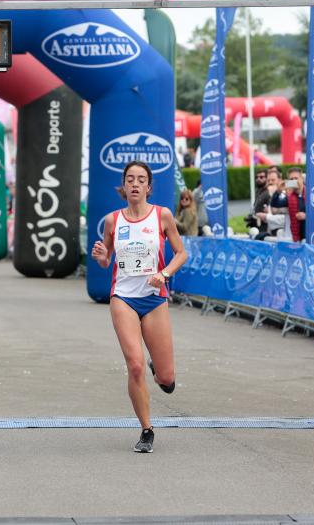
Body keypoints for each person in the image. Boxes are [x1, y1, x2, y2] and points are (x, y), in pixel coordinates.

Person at [90, 161, 188, 454]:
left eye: (141, 179)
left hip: (154, 297)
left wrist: (165, 274)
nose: (135, 184)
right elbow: (106, 260)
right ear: (124, 185)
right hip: (123, 298)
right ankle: (147, 430)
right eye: (130, 179)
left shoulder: (163, 216)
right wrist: (100, 257)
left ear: (148, 187)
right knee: (134, 365)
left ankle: (159, 368)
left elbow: (181, 253)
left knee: (167, 379)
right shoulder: (112, 221)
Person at [286, 167, 306, 241]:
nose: (294, 181)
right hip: (296, 238)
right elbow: (275, 207)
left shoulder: (311, 193)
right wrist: (278, 192)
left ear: (302, 179)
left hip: (310, 236)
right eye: (291, 179)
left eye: (296, 178)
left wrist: (306, 216)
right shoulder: (288, 195)